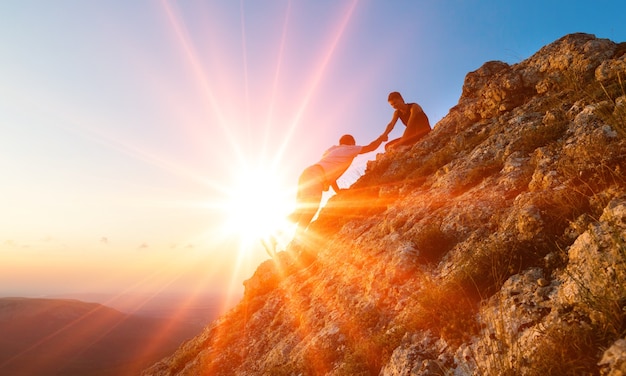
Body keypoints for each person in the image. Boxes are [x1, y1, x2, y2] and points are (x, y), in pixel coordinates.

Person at [289, 133, 387, 238]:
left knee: (299, 212)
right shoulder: (348, 149)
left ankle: (275, 235)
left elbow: (331, 177)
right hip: (316, 177)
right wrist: (382, 137)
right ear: (350, 143)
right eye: (353, 144)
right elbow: (371, 147)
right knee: (310, 210)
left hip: (307, 173)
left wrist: (338, 191)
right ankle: (296, 242)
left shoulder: (332, 150)